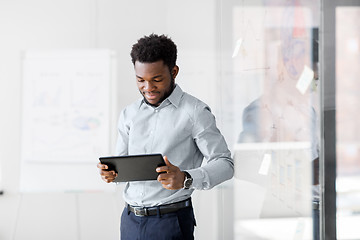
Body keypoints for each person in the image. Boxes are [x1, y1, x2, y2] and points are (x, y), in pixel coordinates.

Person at [97, 33, 234, 240]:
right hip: (129, 220)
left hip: (170, 222)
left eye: (157, 79)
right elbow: (122, 165)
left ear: (174, 71)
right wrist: (112, 174)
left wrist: (186, 178)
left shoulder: (195, 112)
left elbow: (225, 164)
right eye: (140, 80)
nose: (148, 88)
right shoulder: (129, 114)